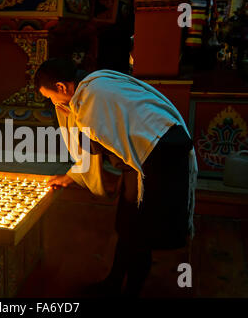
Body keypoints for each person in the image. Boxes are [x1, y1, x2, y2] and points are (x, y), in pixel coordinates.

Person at [35, 58, 198, 297]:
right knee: (128, 225)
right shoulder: (94, 85)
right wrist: (74, 176)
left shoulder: (92, 97)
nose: (54, 103)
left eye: (51, 97)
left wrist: (81, 176)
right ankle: (114, 281)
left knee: (141, 231)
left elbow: (95, 148)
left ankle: (130, 290)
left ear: (61, 87)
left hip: (160, 155)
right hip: (146, 155)